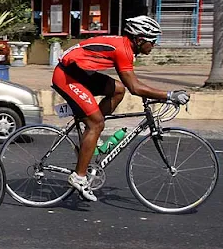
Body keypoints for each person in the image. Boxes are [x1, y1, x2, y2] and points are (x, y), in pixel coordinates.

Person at [51, 15, 190, 202]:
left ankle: (89, 136)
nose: (154, 45)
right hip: (67, 77)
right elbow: (136, 88)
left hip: (81, 73)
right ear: (140, 40)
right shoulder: (123, 50)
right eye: (152, 41)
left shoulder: (126, 47)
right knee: (97, 123)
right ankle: (79, 177)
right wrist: (169, 95)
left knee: (118, 90)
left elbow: (128, 86)